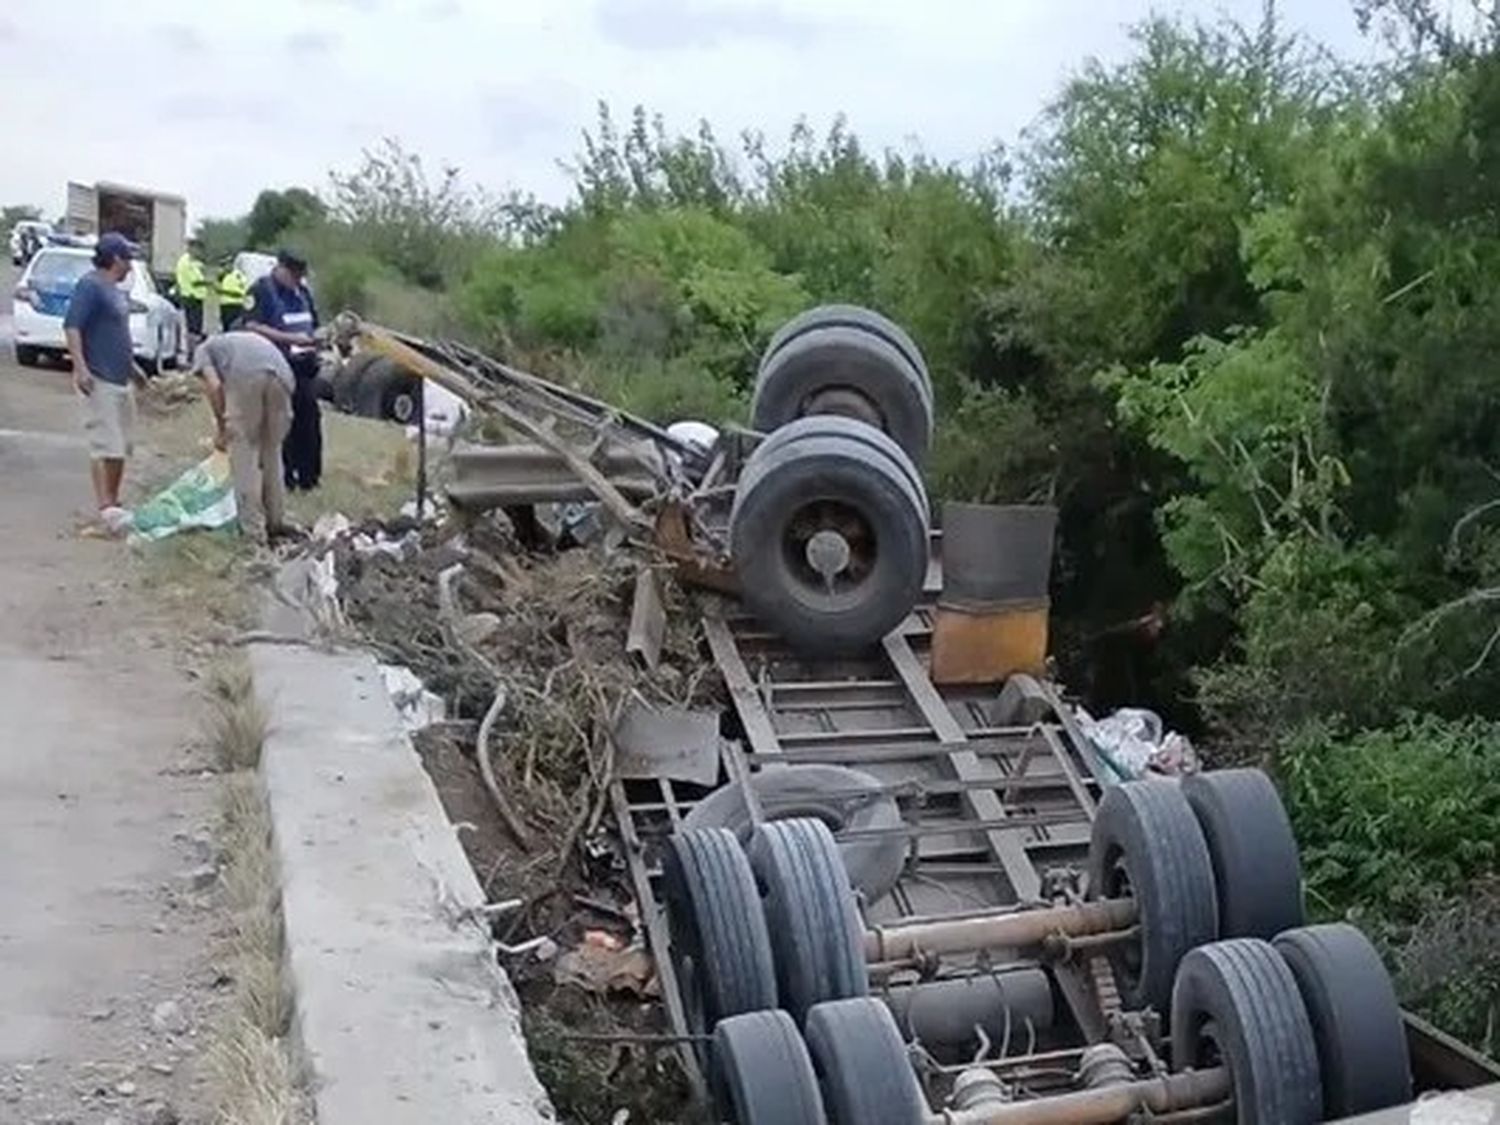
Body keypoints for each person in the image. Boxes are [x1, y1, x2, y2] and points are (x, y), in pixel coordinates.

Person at [63, 232, 147, 531]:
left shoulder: (114, 290)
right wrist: (80, 368)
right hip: (99, 378)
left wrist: (134, 368)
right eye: (127, 259)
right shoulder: (91, 286)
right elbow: (73, 327)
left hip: (120, 377)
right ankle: (105, 507)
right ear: (115, 259)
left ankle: (113, 501)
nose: (130, 265)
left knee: (123, 446)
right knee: (105, 444)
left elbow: (116, 335)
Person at [191, 331, 295, 546]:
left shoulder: (203, 351)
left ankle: (252, 530)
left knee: (243, 452)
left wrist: (222, 428)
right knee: (272, 451)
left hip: (247, 375)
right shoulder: (236, 341)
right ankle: (276, 521)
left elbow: (214, 386)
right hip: (282, 375)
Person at [245, 249, 322, 491]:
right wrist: (290, 339)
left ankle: (309, 477)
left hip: (305, 367)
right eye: (294, 274)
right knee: (281, 424)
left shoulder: (303, 292)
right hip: (277, 366)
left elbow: (314, 325)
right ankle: (285, 476)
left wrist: (319, 340)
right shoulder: (261, 290)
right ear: (281, 268)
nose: (297, 280)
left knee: (309, 420)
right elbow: (252, 326)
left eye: (301, 276)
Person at [173, 238, 209, 345]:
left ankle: (192, 350)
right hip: (192, 297)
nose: (199, 252)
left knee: (193, 328)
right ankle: (193, 352)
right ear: (191, 248)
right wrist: (209, 282)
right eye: (198, 249)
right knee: (194, 328)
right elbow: (196, 281)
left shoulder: (191, 262)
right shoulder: (186, 262)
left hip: (193, 296)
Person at [217, 257, 250, 331]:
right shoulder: (222, 276)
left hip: (236, 304)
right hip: (224, 304)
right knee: (225, 325)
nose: (226, 267)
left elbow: (244, 287)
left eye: (228, 264)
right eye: (224, 265)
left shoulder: (238, 275)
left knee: (234, 326)